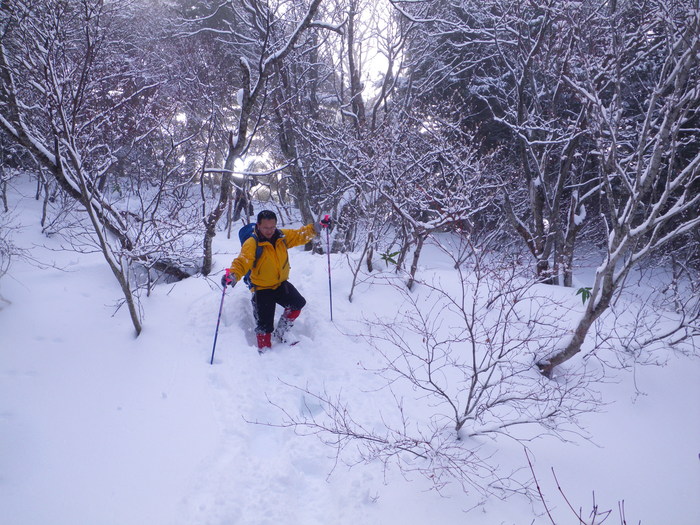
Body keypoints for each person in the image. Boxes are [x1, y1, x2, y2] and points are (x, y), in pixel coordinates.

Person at [221, 210, 329, 352]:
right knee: (264, 325)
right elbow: (242, 262)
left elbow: (299, 235)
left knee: (298, 303)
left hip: (280, 284)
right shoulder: (252, 243)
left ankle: (282, 332)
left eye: (272, 227)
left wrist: (316, 228)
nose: (270, 231)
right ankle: (265, 351)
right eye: (266, 227)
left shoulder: (282, 236)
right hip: (261, 288)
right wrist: (233, 275)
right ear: (258, 226)